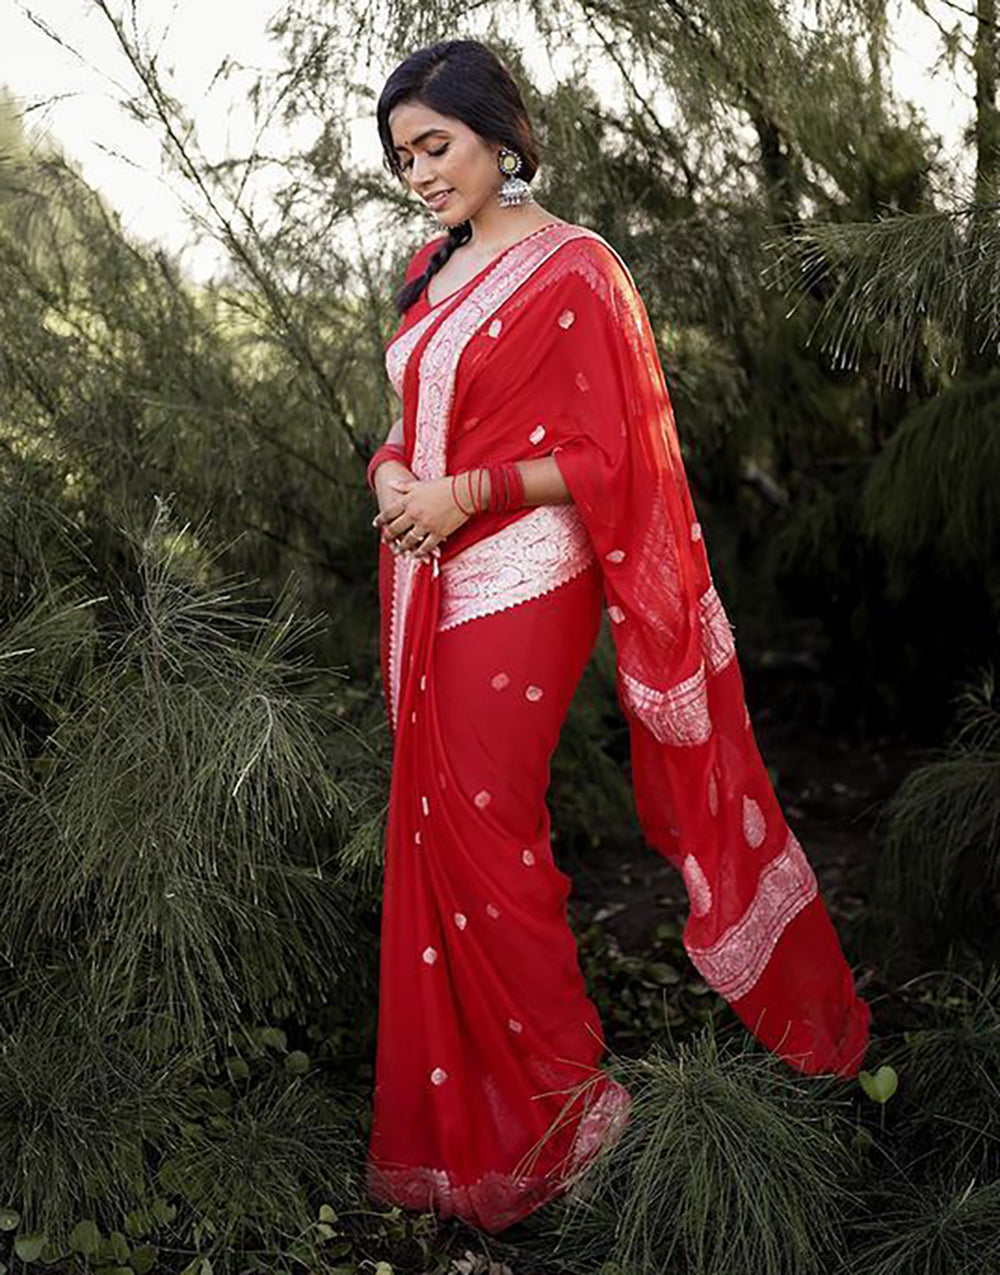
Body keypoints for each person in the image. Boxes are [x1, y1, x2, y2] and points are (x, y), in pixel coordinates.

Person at [364, 38, 872, 1236]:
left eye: (436, 145)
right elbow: (410, 417)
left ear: (498, 133)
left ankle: (568, 1114)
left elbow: (611, 456)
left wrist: (463, 498)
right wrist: (392, 472)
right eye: (402, 157)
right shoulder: (425, 270)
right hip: (424, 573)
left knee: (492, 835)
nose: (421, 173)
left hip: (523, 580)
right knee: (441, 832)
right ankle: (477, 1125)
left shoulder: (575, 269)